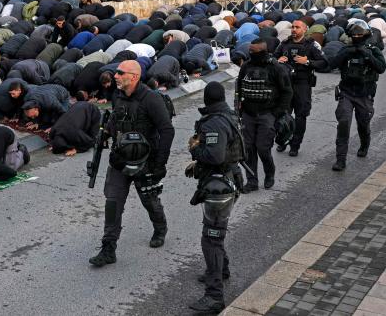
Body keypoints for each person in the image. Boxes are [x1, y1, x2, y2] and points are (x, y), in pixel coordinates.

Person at [89, 60, 175, 267]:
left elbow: (167, 130)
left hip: (146, 161)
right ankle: (108, 248)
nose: (115, 76)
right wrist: (106, 133)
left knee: (149, 200)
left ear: (134, 77)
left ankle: (160, 228)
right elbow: (115, 120)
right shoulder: (117, 95)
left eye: (120, 73)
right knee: (113, 202)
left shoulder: (151, 99)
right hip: (120, 160)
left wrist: (160, 164)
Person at [186, 82, 243, 313]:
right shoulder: (228, 115)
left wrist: (194, 149)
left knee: (211, 239)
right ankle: (222, 269)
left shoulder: (215, 122)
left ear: (206, 100)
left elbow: (215, 155)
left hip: (219, 186)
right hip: (228, 178)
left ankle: (214, 296)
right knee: (216, 233)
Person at [235, 39, 292, 192]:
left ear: (263, 52)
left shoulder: (275, 68)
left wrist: (277, 113)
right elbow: (239, 88)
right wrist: (239, 111)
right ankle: (252, 181)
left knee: (263, 148)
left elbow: (287, 92)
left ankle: (269, 173)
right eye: (250, 51)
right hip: (248, 114)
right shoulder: (246, 66)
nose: (251, 54)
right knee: (248, 149)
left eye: (254, 52)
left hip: (267, 114)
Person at [329, 23, 386, 171]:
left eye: (359, 35)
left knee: (363, 124)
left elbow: (381, 67)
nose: (356, 37)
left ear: (366, 35)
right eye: (354, 35)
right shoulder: (346, 49)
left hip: (364, 94)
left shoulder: (372, 50)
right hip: (347, 92)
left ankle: (364, 144)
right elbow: (332, 64)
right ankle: (340, 160)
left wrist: (367, 54)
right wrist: (346, 53)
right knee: (343, 124)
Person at [274, 19, 328, 156]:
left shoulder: (310, 45)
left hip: (302, 84)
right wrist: (277, 61)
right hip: (286, 85)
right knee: (282, 115)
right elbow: (272, 58)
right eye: (292, 27)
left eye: (297, 27)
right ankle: (282, 140)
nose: (293, 29)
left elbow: (324, 62)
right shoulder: (285, 44)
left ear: (304, 30)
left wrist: (308, 62)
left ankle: (295, 145)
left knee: (300, 116)